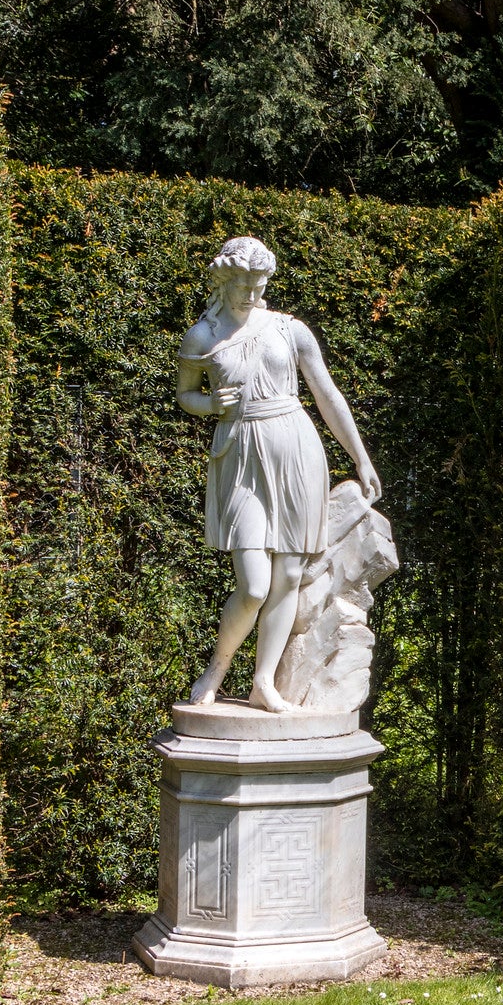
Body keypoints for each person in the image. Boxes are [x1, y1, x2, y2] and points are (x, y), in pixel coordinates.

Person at [176, 236, 382, 711]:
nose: (251, 292)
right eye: (242, 283)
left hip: (296, 451)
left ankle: (263, 682)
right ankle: (218, 667)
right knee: (252, 585)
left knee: (288, 574)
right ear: (223, 281)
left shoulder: (290, 330)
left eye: (259, 283)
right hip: (241, 454)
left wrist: (361, 456)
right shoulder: (203, 336)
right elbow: (185, 394)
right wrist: (209, 404)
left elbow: (327, 395)